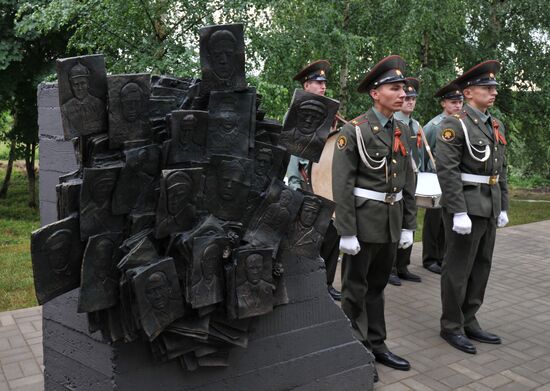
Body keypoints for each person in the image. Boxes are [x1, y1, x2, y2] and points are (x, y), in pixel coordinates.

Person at [332, 55, 416, 379]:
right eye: (395, 88)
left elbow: (408, 181)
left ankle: (377, 343)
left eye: (403, 88)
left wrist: (410, 224)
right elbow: (342, 185)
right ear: (375, 93)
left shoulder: (403, 131)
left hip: (391, 221)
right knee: (355, 288)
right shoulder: (353, 131)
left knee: (378, 287)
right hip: (363, 223)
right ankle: (355, 348)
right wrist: (346, 231)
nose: (402, 94)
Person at [436, 60, 508, 354]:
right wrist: (459, 211)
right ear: (468, 93)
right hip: (466, 207)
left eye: (494, 88)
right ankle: (451, 325)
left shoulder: (494, 124)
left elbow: (501, 168)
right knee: (457, 268)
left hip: (489, 205)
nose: (493, 92)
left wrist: (503, 204)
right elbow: (448, 171)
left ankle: (470, 318)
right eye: (486, 87)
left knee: (481, 266)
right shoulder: (454, 124)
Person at [285, 60, 342, 301]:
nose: (322, 87)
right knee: (308, 239)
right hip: (306, 182)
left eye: (324, 83)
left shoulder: (332, 117)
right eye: (318, 83)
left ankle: (326, 283)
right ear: (306, 85)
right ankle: (305, 285)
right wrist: (295, 183)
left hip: (328, 185)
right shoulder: (297, 115)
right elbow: (291, 151)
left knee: (332, 235)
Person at [421, 81, 464, 274]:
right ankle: (430, 258)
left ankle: (445, 256)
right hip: (436, 178)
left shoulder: (463, 122)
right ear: (443, 103)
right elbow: (424, 151)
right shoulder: (433, 125)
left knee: (451, 218)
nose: (457, 105)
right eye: (453, 101)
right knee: (434, 221)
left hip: (456, 178)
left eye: (460, 101)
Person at [389, 77, 423, 286]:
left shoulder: (416, 124)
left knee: (409, 221)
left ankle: (403, 266)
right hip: (396, 179)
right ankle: (390, 268)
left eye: (413, 98)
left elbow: (420, 154)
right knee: (395, 224)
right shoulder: (393, 122)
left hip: (413, 177)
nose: (409, 101)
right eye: (407, 97)